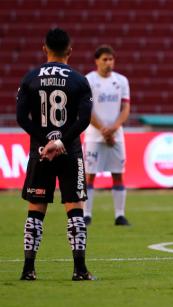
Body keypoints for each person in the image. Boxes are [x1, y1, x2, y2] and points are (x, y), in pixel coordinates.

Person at [16, 28, 95, 280]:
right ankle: (79, 270)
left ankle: (28, 270)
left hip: (40, 152)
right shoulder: (79, 80)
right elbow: (84, 120)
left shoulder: (30, 78)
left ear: (44, 49)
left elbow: (21, 118)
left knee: (35, 210)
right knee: (75, 209)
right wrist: (61, 141)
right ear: (70, 51)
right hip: (70, 151)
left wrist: (45, 141)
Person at [83, 45, 131, 226]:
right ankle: (86, 214)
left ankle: (120, 215)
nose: (108, 63)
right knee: (90, 175)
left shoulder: (121, 81)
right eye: (104, 59)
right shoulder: (89, 80)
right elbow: (87, 109)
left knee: (118, 174)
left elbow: (126, 107)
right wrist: (103, 129)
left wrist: (114, 128)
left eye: (111, 59)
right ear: (97, 61)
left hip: (116, 135)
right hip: (94, 135)